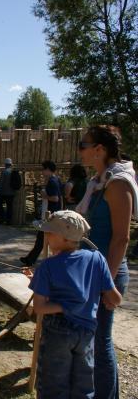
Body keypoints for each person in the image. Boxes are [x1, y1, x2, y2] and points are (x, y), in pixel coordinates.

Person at [29, 210, 122, 398]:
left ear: (64, 238)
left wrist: (65, 306)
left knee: (53, 386)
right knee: (84, 386)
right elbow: (115, 299)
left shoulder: (48, 266)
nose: (46, 235)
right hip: (86, 333)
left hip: (57, 332)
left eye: (50, 232)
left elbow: (39, 307)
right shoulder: (97, 259)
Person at [75, 125, 138, 398]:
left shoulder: (118, 183)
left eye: (83, 144)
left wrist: (107, 284)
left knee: (101, 342)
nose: (80, 150)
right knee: (91, 341)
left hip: (106, 274)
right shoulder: (99, 181)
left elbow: (121, 239)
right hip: (90, 271)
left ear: (99, 149)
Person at [20, 160, 62, 267]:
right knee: (41, 238)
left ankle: (33, 259)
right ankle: (30, 259)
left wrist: (44, 196)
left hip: (50, 215)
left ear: (48, 169)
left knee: (44, 238)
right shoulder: (55, 180)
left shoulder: (52, 181)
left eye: (44, 169)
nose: (42, 172)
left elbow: (55, 198)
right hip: (50, 214)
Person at [0, 158, 15, 225]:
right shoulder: (13, 171)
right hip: (12, 193)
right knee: (9, 207)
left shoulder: (4, 172)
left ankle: (2, 219)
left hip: (3, 192)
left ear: (5, 164)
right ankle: (9, 221)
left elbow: (1, 182)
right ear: (11, 164)